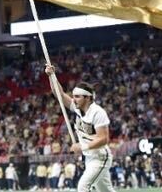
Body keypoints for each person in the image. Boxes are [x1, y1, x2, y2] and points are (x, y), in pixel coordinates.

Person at [45, 64, 115, 192]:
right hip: (89, 158)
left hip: (100, 157)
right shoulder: (78, 109)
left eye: (77, 96)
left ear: (88, 98)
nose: (74, 99)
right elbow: (59, 94)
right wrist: (52, 76)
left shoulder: (97, 112)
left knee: (83, 187)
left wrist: (82, 147)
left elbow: (104, 139)